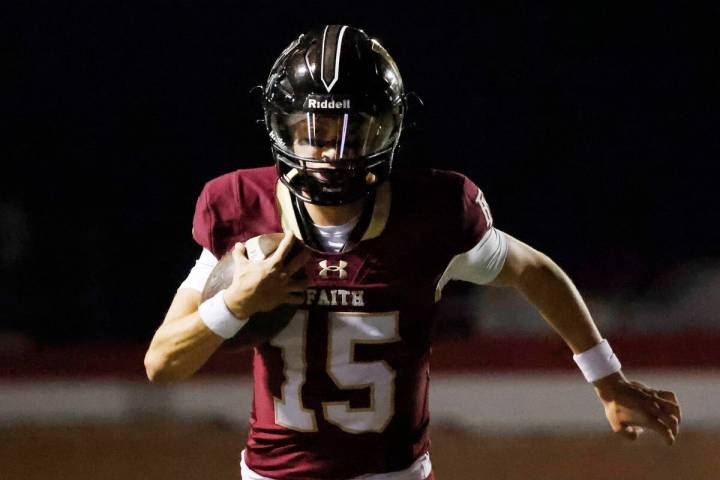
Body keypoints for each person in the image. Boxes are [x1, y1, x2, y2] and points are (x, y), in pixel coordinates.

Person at [144, 25, 681, 480]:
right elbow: (161, 364)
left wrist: (606, 378)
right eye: (316, 131)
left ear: (388, 130)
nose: (332, 152)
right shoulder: (241, 208)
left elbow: (533, 270)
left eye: (353, 132)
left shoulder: (435, 214)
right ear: (282, 129)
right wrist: (236, 302)